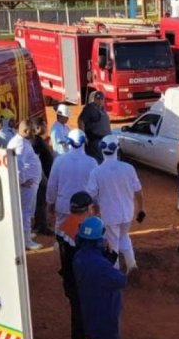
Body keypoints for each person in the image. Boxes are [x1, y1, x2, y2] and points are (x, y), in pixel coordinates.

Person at [74, 216, 128, 339]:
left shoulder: (79, 256)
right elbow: (121, 280)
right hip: (104, 312)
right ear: (99, 239)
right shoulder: (99, 264)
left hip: (88, 310)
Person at [86, 136, 145, 274]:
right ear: (117, 149)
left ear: (102, 150)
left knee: (113, 243)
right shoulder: (129, 168)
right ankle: (132, 265)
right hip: (127, 213)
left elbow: (90, 194)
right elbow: (138, 191)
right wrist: (141, 209)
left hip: (109, 215)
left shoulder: (97, 172)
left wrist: (93, 207)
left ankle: (115, 272)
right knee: (124, 236)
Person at [56, 191, 95, 339]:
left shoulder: (63, 226)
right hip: (83, 284)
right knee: (84, 324)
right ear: (87, 208)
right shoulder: (85, 230)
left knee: (77, 322)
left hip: (70, 281)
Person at [47, 129, 98, 232]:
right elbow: (96, 188)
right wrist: (96, 205)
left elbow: (52, 184)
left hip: (63, 207)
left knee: (62, 238)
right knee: (83, 237)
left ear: (68, 142)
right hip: (84, 209)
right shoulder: (92, 162)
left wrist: (50, 202)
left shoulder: (59, 161)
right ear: (84, 142)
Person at [8, 120, 43, 251]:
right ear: (26, 131)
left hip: (29, 184)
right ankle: (27, 240)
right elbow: (16, 165)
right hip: (26, 186)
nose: (35, 133)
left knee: (27, 211)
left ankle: (25, 234)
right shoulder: (20, 145)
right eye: (33, 131)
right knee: (25, 212)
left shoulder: (22, 141)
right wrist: (22, 181)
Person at [31, 118, 55, 236]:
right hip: (41, 177)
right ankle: (42, 226)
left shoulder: (38, 140)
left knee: (41, 201)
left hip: (43, 175)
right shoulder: (35, 142)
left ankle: (40, 223)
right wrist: (43, 178)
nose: (46, 128)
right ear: (38, 128)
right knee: (41, 201)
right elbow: (37, 162)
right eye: (45, 126)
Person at [79, 91, 111, 163]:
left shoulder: (102, 109)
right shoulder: (89, 108)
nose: (100, 101)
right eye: (98, 99)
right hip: (95, 141)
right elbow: (80, 121)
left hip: (104, 140)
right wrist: (84, 136)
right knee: (98, 161)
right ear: (94, 99)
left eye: (101, 99)